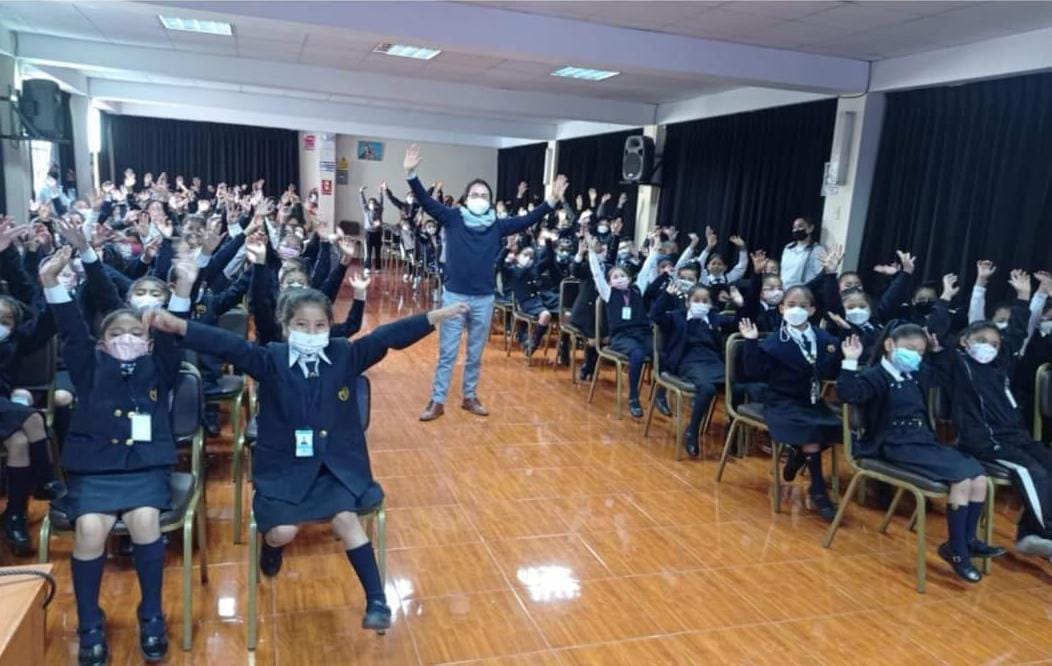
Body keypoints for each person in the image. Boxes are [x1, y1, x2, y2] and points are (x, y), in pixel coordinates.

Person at [147, 288, 468, 633]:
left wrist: (433, 317)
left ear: (330, 327)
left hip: (336, 468)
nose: (311, 332)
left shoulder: (345, 354)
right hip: (286, 469)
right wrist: (179, 327)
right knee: (283, 531)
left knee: (347, 519)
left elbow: (384, 338)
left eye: (319, 326)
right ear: (287, 326)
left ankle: (376, 599)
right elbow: (228, 344)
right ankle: (270, 550)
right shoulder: (271, 359)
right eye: (302, 324)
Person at [39, 247, 193, 665]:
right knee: (89, 529)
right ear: (102, 343)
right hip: (95, 471)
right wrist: (51, 282)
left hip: (146, 468)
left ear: (148, 339)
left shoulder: (158, 366)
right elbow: (71, 329)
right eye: (115, 334)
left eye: (135, 334)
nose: (126, 339)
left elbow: (174, 334)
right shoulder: (90, 366)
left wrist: (184, 286)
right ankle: (90, 620)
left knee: (145, 521)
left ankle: (151, 613)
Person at [402, 144, 568, 421]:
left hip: (483, 298)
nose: (479, 197)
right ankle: (438, 400)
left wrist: (550, 201)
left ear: (490, 200)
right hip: (454, 296)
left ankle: (469, 396)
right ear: (466, 198)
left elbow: (528, 218)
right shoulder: (453, 217)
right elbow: (426, 202)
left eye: (484, 194)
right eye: (475, 194)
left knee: (475, 353)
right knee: (447, 353)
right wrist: (411, 173)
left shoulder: (497, 225)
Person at [838, 326, 1003, 582]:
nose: (916, 355)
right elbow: (848, 394)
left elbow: (942, 376)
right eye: (910, 349)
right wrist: (850, 360)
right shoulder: (875, 376)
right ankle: (957, 552)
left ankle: (968, 540)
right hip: (894, 444)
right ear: (890, 345)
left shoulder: (917, 374)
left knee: (979, 477)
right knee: (961, 480)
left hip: (923, 441)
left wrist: (936, 353)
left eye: (920, 352)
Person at [930, 269, 1052, 559]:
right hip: (984, 441)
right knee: (1032, 472)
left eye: (995, 344)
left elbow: (1019, 330)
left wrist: (1024, 295)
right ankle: (1046, 532)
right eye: (983, 341)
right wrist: (945, 297)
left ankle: (1030, 533)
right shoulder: (958, 365)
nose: (990, 348)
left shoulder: (1001, 365)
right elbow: (935, 331)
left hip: (1015, 437)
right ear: (966, 342)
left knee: (1047, 464)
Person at [738, 286, 841, 521]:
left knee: (837, 430)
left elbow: (831, 371)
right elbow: (753, 373)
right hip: (781, 401)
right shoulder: (775, 341)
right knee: (811, 433)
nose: (797, 310)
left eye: (803, 306)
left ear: (813, 310)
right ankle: (818, 490)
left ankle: (797, 453)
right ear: (782, 308)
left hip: (812, 400)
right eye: (792, 305)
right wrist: (751, 343)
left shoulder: (825, 340)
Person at [650, 282, 734, 457]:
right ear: (688, 302)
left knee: (736, 385)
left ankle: (734, 435)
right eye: (696, 300)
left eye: (705, 301)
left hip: (712, 361)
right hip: (687, 361)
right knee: (708, 388)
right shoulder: (676, 317)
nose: (701, 304)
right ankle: (692, 431)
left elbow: (741, 321)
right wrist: (666, 295)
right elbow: (655, 315)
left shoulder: (714, 318)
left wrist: (740, 303)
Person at [779, 217, 825, 289]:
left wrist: (806, 288)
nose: (796, 230)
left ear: (810, 228)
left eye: (800, 226)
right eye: (794, 227)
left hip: (802, 292)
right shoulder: (788, 248)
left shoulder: (816, 250)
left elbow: (820, 275)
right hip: (784, 289)